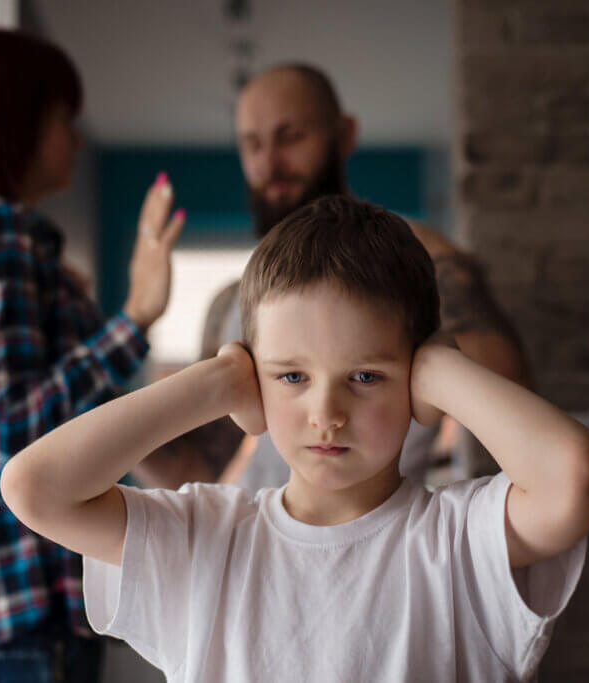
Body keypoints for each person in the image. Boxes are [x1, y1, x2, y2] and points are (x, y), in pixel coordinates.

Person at [1, 196, 589, 682]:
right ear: (254, 375)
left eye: (366, 376)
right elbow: (33, 488)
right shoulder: (204, 537)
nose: (326, 412)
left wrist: (440, 370)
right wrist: (216, 383)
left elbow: (581, 480)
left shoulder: (458, 540)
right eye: (291, 376)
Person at [0, 27, 184, 681]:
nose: (78, 141)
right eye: (64, 119)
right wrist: (136, 315)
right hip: (13, 617)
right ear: (17, 121)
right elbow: (17, 429)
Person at [134, 63, 530, 491]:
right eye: (253, 145)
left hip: (384, 537)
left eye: (291, 137)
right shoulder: (235, 301)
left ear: (344, 135)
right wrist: (132, 325)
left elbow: (511, 404)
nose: (270, 164)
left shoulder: (423, 262)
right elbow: (197, 470)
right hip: (266, 541)